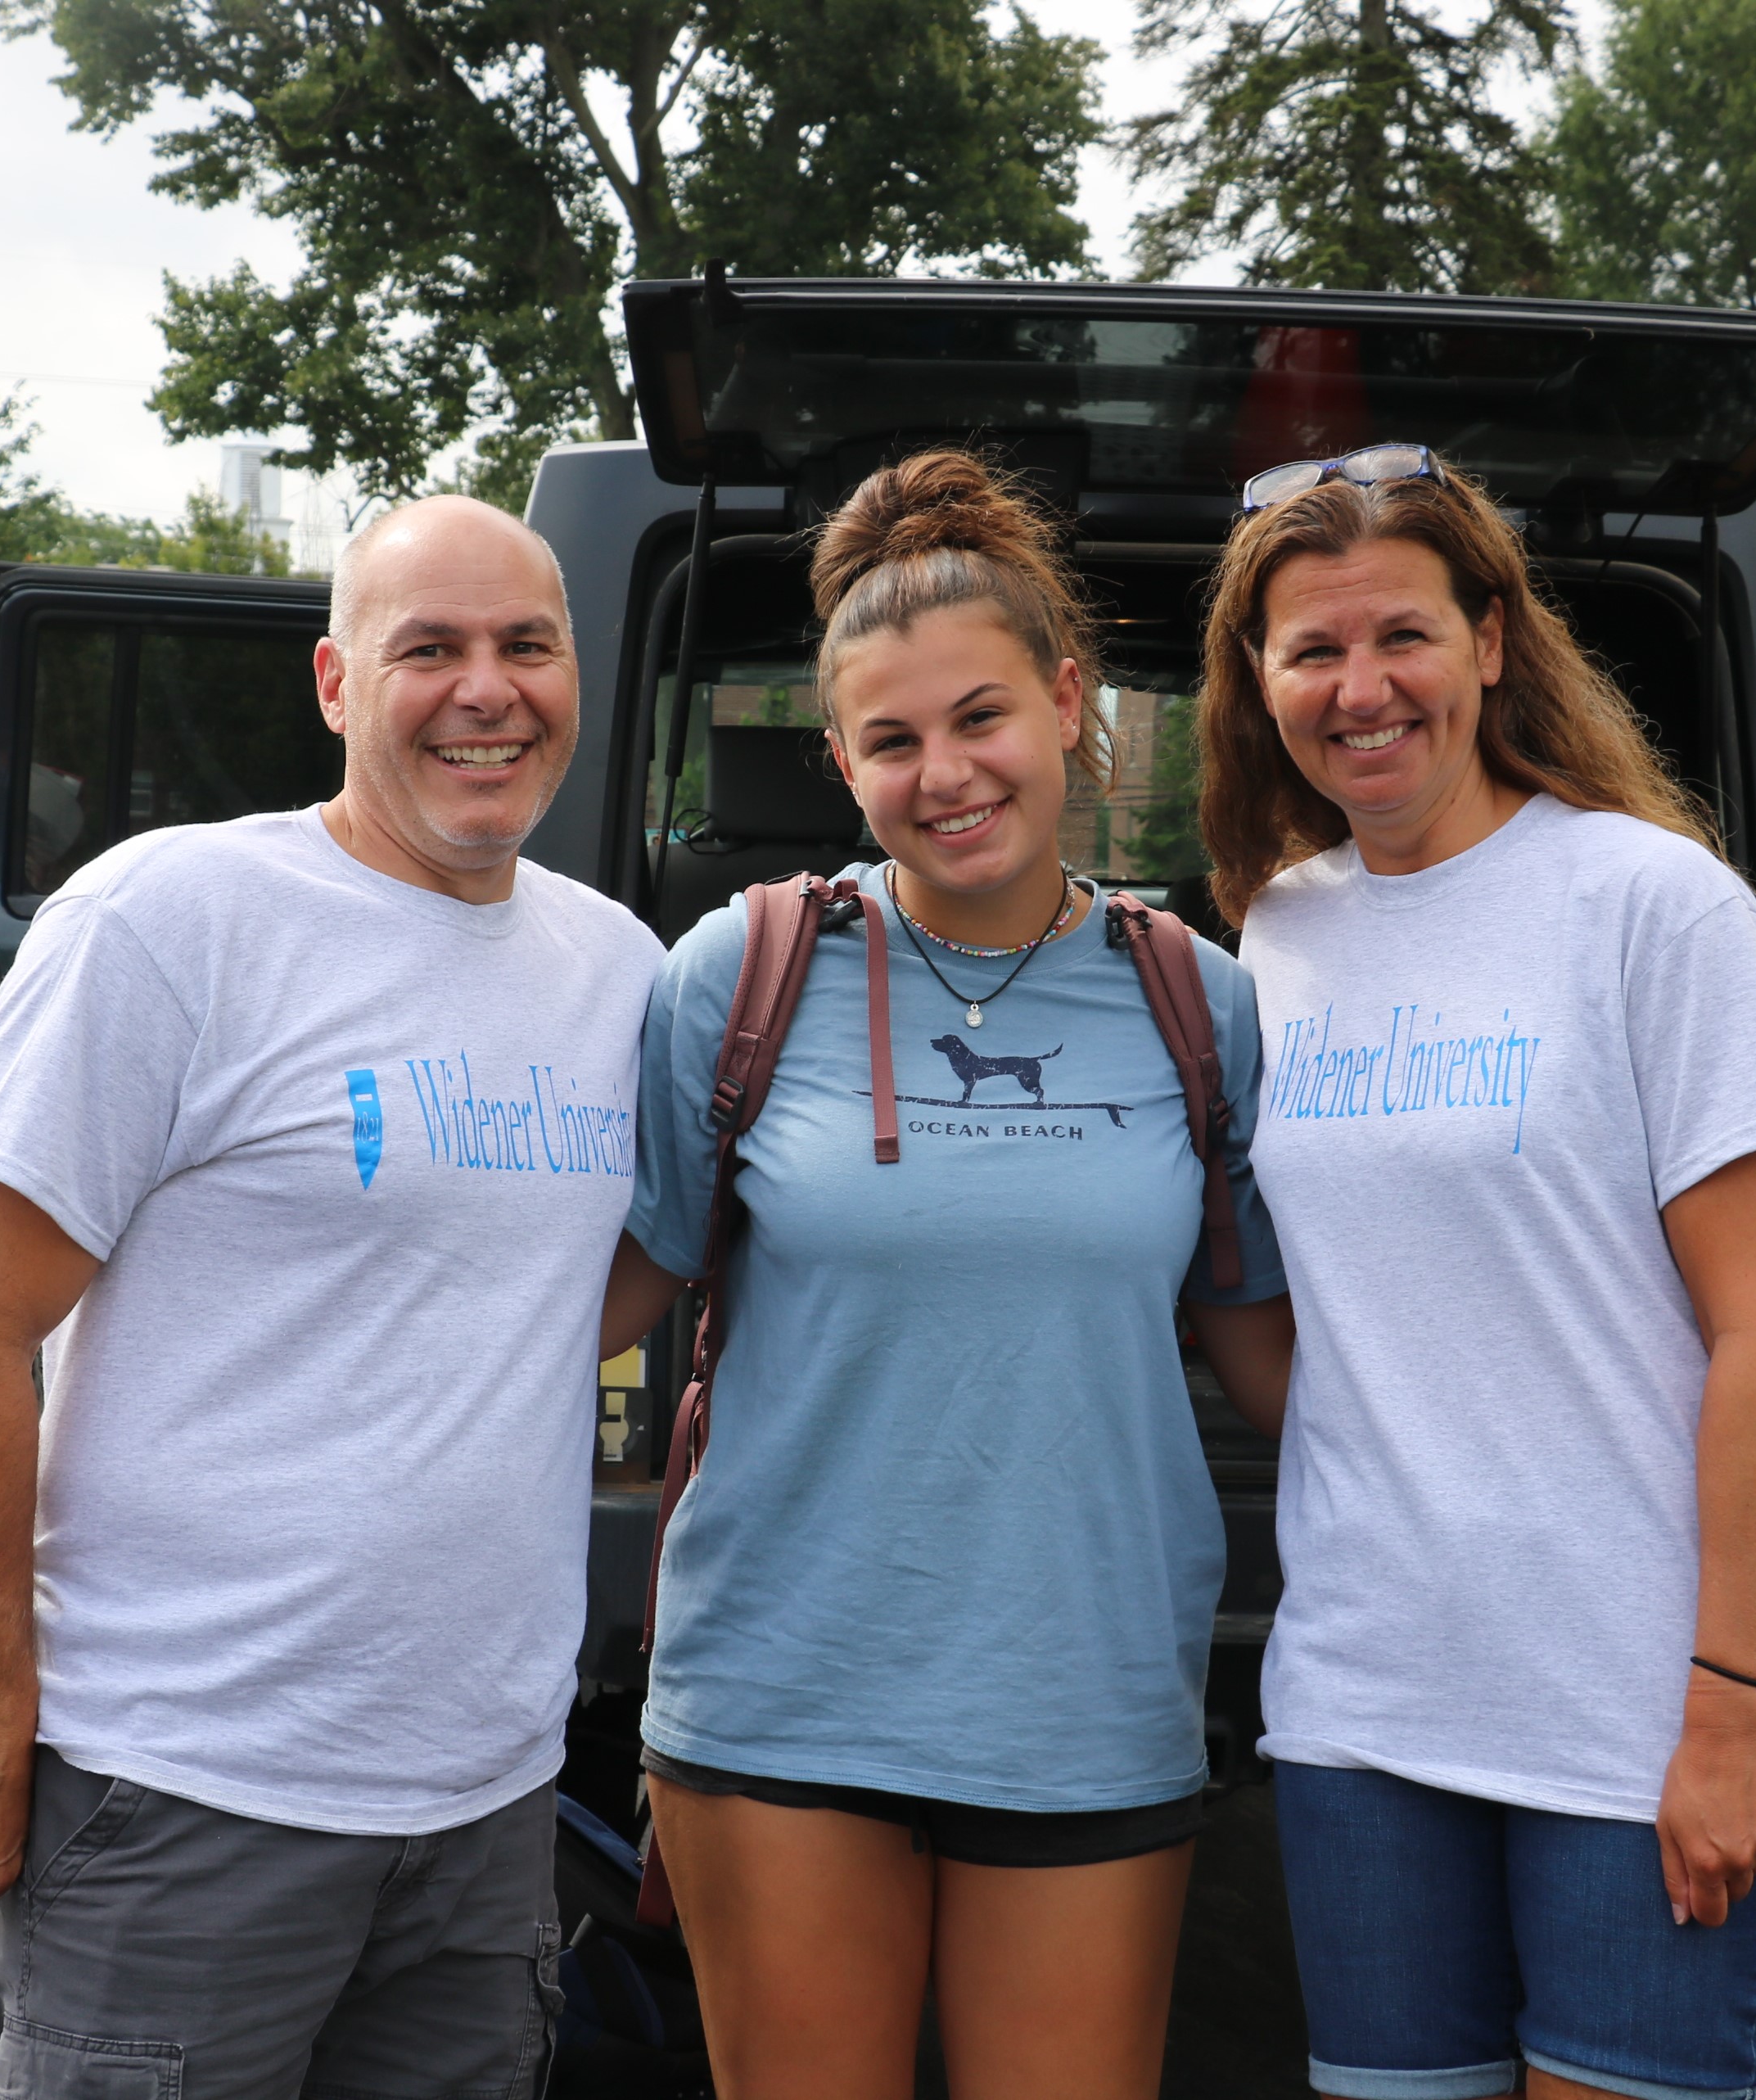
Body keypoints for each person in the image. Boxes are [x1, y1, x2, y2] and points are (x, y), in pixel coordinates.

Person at [0, 495, 663, 2098]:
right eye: (428, 647)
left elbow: (556, 1287)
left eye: (526, 644)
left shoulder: (619, 968)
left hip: (481, 1803)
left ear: (576, 674)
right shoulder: (171, 922)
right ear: (338, 683)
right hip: (177, 1794)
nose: (486, 687)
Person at [596, 451, 1293, 2100]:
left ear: (1070, 705)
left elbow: (1277, 1352)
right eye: (891, 740)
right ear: (839, 756)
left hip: (1084, 1686)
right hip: (778, 1691)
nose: (944, 771)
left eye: (979, 716)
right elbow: (601, 1291)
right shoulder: (742, 976)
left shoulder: (1203, 1001)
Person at [1197, 445, 1756, 2100]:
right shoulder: (1275, 937)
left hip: (1634, 1711)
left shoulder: (1648, 905)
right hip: (1366, 1702)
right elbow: (1310, 1337)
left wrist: (1731, 1708)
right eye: (1311, 650)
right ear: (1257, 683)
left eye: (1400, 634)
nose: (1361, 687)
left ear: (1491, 639)